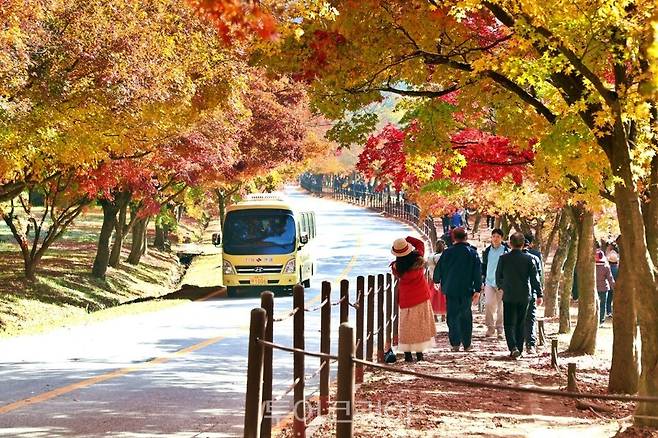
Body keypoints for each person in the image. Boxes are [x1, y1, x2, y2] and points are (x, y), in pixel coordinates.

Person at [434, 227, 482, 352]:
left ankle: (455, 343)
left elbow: (439, 268)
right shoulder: (472, 252)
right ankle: (467, 343)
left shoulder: (447, 252)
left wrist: (436, 280)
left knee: (452, 315)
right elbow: (477, 272)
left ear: (453, 238)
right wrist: (477, 289)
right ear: (466, 237)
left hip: (451, 288)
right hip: (467, 288)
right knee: (466, 315)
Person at [496, 232, 542, 359]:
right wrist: (539, 294)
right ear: (523, 245)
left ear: (510, 244)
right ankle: (520, 349)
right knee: (521, 323)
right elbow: (535, 279)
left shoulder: (503, 258)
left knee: (509, 322)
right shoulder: (529, 259)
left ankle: (513, 347)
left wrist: (502, 287)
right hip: (524, 294)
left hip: (509, 294)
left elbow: (498, 276)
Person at [391, 236, 436, 362]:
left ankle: (407, 355)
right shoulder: (418, 258)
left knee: (406, 326)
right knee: (420, 325)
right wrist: (407, 239)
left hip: (406, 299)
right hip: (421, 296)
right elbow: (420, 243)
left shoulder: (397, 267)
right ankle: (420, 354)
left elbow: (395, 273)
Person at [481, 228, 509, 339]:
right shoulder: (487, 251)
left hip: (501, 283)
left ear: (501, 238)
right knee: (488, 304)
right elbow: (484, 266)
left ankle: (500, 329)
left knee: (501, 306)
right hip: (489, 281)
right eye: (494, 236)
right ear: (491, 238)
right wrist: (482, 280)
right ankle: (490, 327)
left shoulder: (505, 250)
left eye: (498, 236)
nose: (495, 238)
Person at [523, 233, 543, 354]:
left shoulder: (509, 256)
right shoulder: (536, 256)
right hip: (532, 291)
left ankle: (520, 343)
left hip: (516, 292)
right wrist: (539, 292)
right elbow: (538, 276)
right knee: (530, 318)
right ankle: (530, 344)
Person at [427, 240, 447, 321]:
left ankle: (434, 316)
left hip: (433, 279)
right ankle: (443, 315)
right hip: (444, 280)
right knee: (444, 298)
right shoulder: (446, 256)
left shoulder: (431, 257)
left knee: (433, 298)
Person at [595, 249, 615, 325]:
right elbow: (610, 278)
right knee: (603, 304)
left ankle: (595, 319)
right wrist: (614, 287)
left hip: (595, 288)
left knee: (595, 304)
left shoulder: (592, 266)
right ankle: (601, 320)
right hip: (604, 288)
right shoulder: (606, 266)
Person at [607, 251, 619, 317]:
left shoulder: (607, 268)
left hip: (608, 286)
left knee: (608, 300)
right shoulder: (618, 269)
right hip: (616, 287)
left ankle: (608, 311)